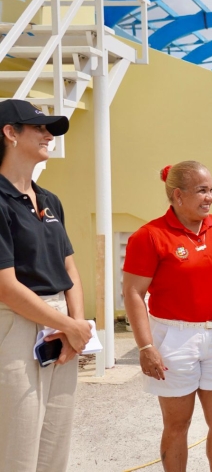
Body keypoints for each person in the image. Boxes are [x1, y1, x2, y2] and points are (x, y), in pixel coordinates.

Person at [123, 160, 212, 472]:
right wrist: (146, 347)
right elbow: (132, 293)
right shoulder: (149, 236)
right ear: (177, 195)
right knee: (178, 425)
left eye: (211, 190)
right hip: (173, 338)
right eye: (202, 191)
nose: (209, 197)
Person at [0, 99, 93, 472]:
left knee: (54, 446)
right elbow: (5, 286)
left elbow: (70, 269)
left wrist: (76, 325)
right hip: (16, 324)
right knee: (17, 448)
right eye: (38, 127)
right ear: (9, 133)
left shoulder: (50, 199)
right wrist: (70, 327)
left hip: (60, 327)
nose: (48, 134)